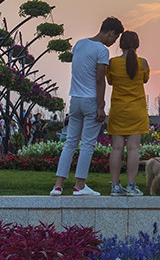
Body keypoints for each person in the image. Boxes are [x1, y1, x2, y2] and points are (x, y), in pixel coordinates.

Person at [51, 16, 123, 196]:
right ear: (111, 33)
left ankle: (58, 185)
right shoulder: (101, 50)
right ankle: (79, 185)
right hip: (91, 99)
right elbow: (100, 79)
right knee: (87, 144)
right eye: (114, 38)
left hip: (75, 98)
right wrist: (101, 105)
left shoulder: (79, 44)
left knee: (70, 143)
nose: (113, 42)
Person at [105, 30, 149, 196]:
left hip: (118, 111)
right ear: (137, 45)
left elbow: (110, 81)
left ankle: (115, 186)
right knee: (133, 149)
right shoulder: (143, 63)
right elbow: (144, 79)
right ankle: (131, 186)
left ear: (120, 44)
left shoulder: (112, 63)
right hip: (137, 112)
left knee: (116, 149)